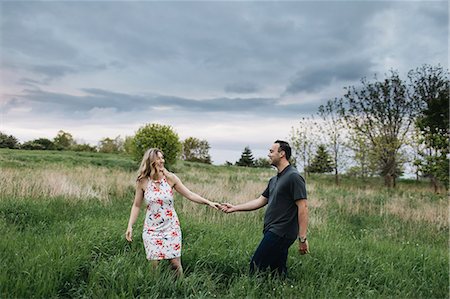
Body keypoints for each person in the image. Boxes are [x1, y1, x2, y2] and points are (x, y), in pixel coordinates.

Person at [125, 148, 220, 277]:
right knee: (154, 266)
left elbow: (190, 194)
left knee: (175, 264)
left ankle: (180, 288)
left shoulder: (170, 178)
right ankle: (155, 290)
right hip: (152, 230)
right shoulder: (142, 181)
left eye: (162, 158)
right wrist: (130, 225)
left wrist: (208, 202)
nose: (162, 161)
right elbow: (136, 205)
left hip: (171, 228)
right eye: (158, 158)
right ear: (151, 161)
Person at [220, 140, 309, 276]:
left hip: (281, 232)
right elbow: (260, 201)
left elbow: (303, 207)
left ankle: (251, 290)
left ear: (282, 154)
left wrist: (302, 238)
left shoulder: (294, 177)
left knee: (255, 266)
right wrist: (234, 208)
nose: (268, 155)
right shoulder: (274, 180)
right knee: (277, 271)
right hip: (272, 230)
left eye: (271, 151)